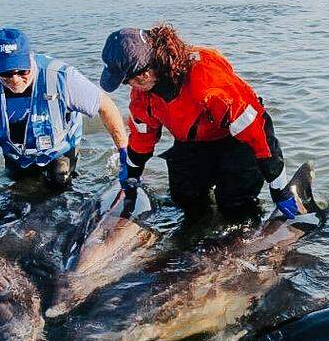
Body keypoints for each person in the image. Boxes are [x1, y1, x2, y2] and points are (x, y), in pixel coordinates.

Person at [100, 25, 299, 219]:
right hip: (192, 142)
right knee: (185, 199)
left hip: (235, 141)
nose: (128, 86)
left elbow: (259, 134)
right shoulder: (143, 95)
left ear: (144, 75)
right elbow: (142, 139)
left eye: (127, 81)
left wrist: (279, 189)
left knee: (235, 205)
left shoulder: (207, 81)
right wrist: (132, 174)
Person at [0, 27, 129, 191]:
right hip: (16, 154)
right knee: (20, 191)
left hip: (60, 151)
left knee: (60, 184)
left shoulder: (62, 77)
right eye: (6, 73)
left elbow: (106, 107)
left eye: (22, 71)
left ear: (30, 59)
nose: (15, 79)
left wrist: (124, 155)